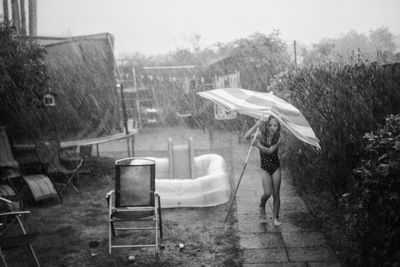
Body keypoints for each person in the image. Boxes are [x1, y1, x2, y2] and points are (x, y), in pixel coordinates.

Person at [244, 115, 282, 226]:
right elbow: (246, 137)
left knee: (276, 194)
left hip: (276, 167)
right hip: (265, 168)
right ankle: (262, 205)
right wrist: (256, 125)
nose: (272, 127)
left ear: (278, 127)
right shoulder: (261, 135)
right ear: (267, 125)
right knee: (267, 193)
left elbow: (270, 151)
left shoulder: (279, 137)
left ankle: (275, 217)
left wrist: (258, 146)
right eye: (270, 125)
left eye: (275, 125)